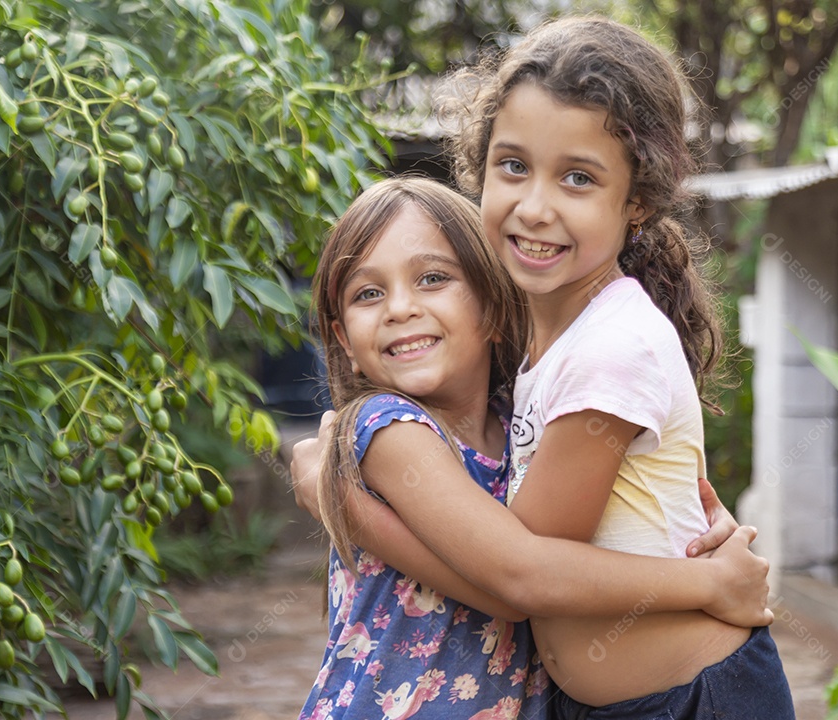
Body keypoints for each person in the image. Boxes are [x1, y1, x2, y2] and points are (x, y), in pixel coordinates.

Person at [296, 175, 773, 720]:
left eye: (432, 278)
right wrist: (707, 583)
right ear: (343, 339)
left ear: (493, 306)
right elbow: (512, 587)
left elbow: (593, 538)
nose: (399, 308)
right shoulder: (386, 428)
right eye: (368, 293)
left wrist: (703, 537)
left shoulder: (521, 425)